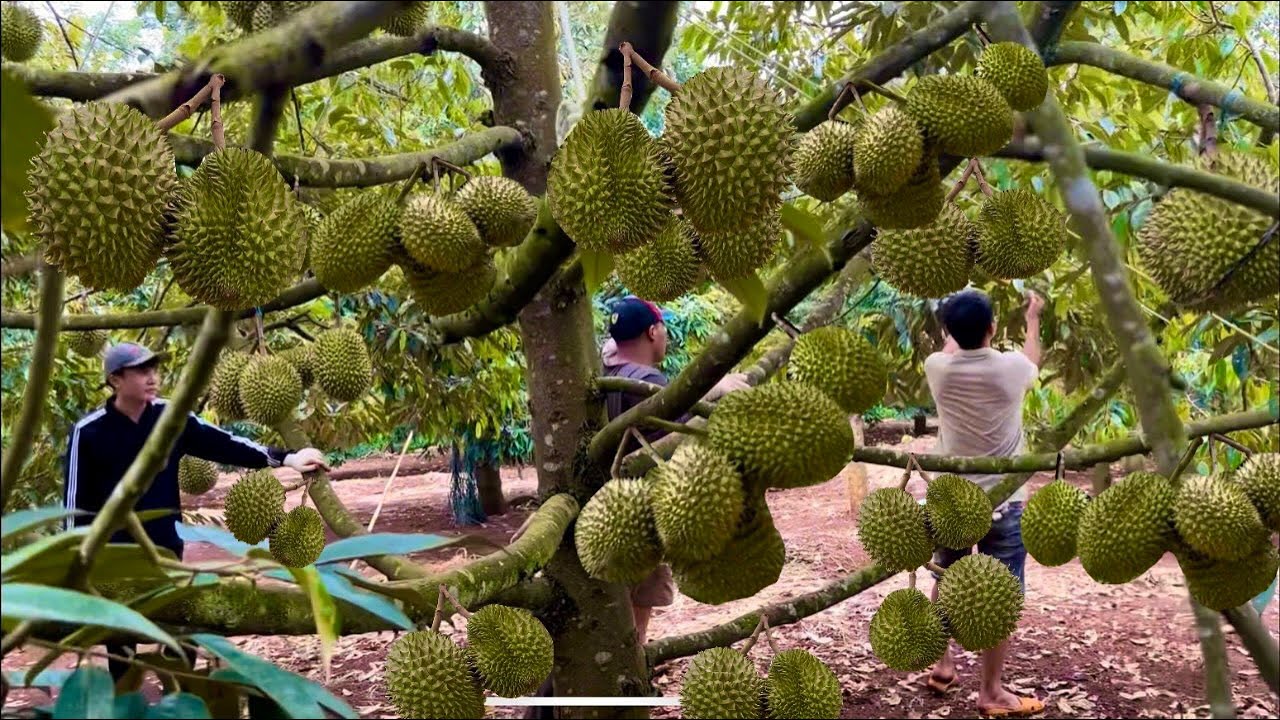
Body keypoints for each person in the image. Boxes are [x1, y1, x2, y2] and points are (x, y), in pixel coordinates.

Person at [62, 342, 330, 680]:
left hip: (165, 549)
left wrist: (288, 457)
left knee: (181, 633)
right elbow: (74, 505)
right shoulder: (88, 431)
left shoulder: (171, 417)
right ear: (116, 379)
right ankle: (124, 694)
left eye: (154, 369)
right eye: (141, 371)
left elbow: (224, 443)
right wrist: (75, 565)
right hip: (114, 556)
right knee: (121, 644)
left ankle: (177, 693)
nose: (152, 377)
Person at [921, 289, 1047, 718]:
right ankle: (991, 690)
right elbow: (1033, 359)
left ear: (947, 332)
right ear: (992, 328)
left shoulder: (937, 369)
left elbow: (950, 348)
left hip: (951, 500)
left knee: (945, 576)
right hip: (1003, 501)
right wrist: (1032, 319)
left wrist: (954, 328)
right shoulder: (1012, 369)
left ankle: (942, 665)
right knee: (1002, 594)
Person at [599, 296, 750, 643]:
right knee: (637, 606)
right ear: (653, 332)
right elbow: (678, 423)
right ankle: (633, 662)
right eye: (663, 328)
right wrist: (718, 391)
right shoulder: (646, 380)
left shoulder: (607, 373)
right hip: (643, 509)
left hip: (608, 507)